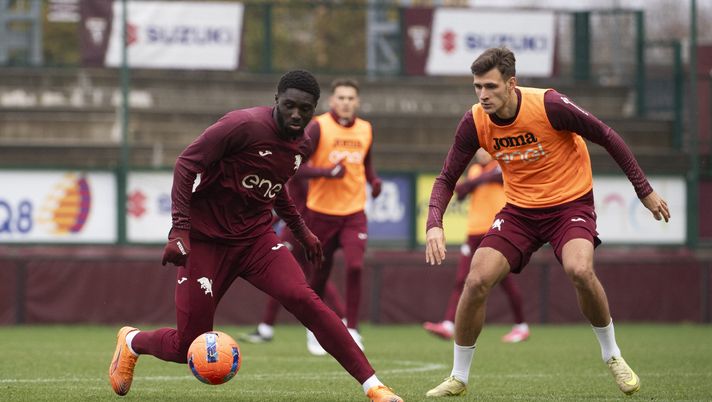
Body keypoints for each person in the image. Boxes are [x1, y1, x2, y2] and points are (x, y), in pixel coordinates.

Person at [108, 70, 403, 402]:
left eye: (304, 109)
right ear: (276, 100)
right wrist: (179, 228)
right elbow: (185, 163)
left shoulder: (302, 144)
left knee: (305, 299)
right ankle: (132, 341)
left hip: (255, 240)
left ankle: (374, 387)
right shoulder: (242, 125)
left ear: (314, 109)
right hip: (207, 241)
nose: (295, 114)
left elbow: (275, 190)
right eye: (289, 105)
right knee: (186, 346)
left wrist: (302, 231)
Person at [423, 47, 669, 398]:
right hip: (520, 211)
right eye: (477, 87)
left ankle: (612, 354)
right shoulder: (475, 120)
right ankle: (459, 377)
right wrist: (435, 222)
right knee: (476, 279)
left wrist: (643, 190)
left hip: (570, 205)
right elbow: (447, 177)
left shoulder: (549, 105)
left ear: (511, 83)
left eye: (491, 86)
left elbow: (607, 136)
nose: (483, 95)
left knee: (579, 271)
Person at [299, 78, 383, 354]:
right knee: (319, 275)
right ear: (332, 101)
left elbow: (366, 164)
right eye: (341, 98)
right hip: (321, 213)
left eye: (351, 98)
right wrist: (326, 172)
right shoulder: (319, 126)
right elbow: (297, 167)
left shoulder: (366, 129)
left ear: (357, 102)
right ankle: (314, 328)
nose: (346, 102)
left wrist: (374, 181)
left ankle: (353, 328)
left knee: (356, 265)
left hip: (354, 212)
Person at [423, 149, 530, 344]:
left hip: (495, 229)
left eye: (485, 150)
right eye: (479, 150)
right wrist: (473, 182)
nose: (482, 153)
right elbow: (461, 193)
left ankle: (521, 326)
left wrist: (473, 183)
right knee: (462, 278)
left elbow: (481, 182)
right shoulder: (473, 171)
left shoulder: (502, 166)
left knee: (505, 281)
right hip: (473, 231)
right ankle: (448, 324)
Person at [240, 171, 349, 344]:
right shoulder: (288, 171)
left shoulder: (299, 170)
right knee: (315, 277)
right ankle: (343, 318)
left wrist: (330, 171)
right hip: (300, 228)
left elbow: (300, 206)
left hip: (297, 231)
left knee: (278, 273)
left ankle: (266, 328)